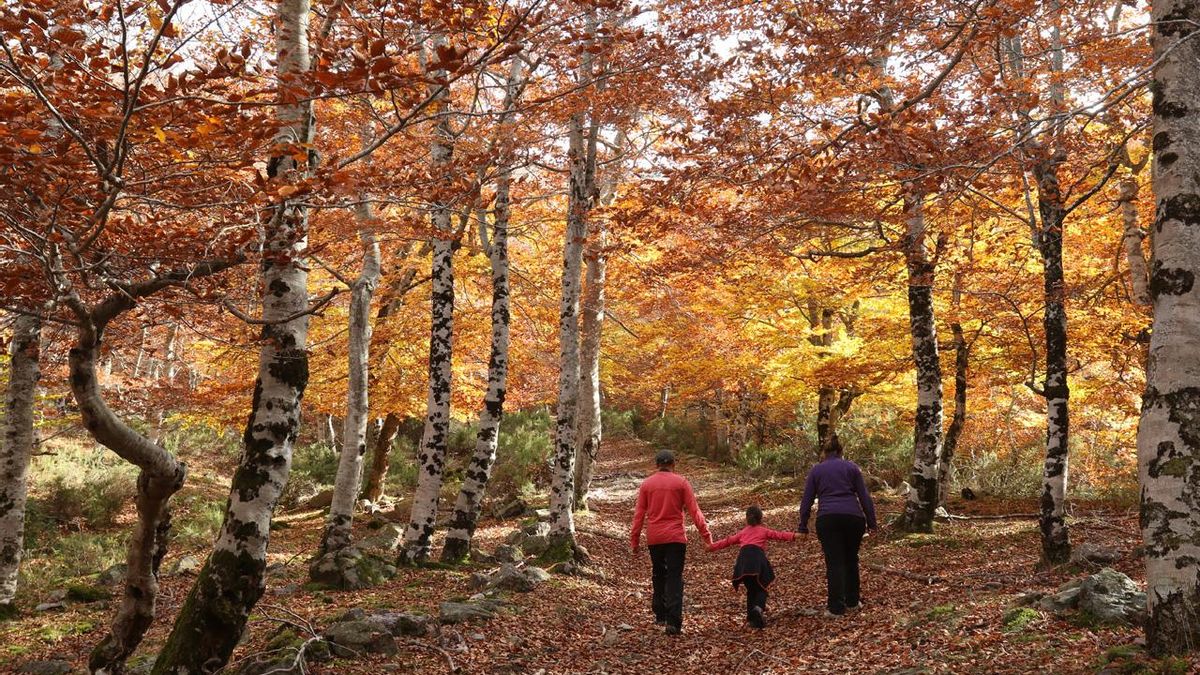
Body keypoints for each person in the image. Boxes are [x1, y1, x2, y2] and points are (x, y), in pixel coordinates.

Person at [630, 449, 713, 635]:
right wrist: (706, 536)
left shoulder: (647, 484)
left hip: (655, 538)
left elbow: (639, 515)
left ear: (657, 465)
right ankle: (673, 621)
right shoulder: (681, 483)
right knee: (674, 576)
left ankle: (660, 612)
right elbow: (695, 511)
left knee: (659, 573)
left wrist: (634, 541)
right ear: (673, 464)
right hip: (676, 538)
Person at [798, 434, 878, 617]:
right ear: (841, 452)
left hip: (828, 519)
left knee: (835, 562)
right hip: (853, 518)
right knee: (851, 559)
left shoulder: (817, 470)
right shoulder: (852, 468)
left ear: (824, 453)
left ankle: (836, 608)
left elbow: (806, 501)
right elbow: (864, 497)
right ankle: (852, 601)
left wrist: (803, 526)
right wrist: (872, 523)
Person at [707, 505, 796, 629]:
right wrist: (794, 536)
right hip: (756, 562)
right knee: (761, 589)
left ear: (747, 518)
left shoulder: (743, 532)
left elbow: (728, 541)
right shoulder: (763, 530)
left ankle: (752, 618)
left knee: (751, 590)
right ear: (761, 518)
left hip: (743, 564)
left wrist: (711, 547)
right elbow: (779, 535)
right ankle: (758, 609)